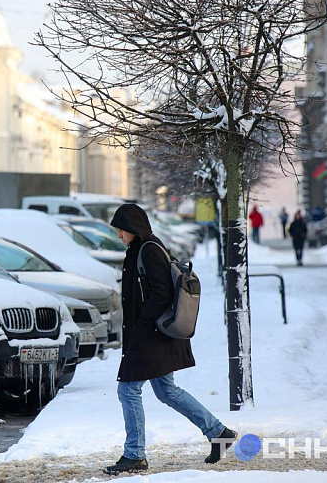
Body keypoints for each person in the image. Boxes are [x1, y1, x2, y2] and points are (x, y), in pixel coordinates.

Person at [104, 203, 236, 476]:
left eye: (120, 230)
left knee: (128, 391)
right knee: (166, 391)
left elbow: (161, 293)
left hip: (150, 335)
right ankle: (219, 432)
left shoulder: (149, 250)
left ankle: (135, 455)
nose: (118, 235)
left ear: (132, 228)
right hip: (152, 335)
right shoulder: (140, 249)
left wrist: (141, 326)